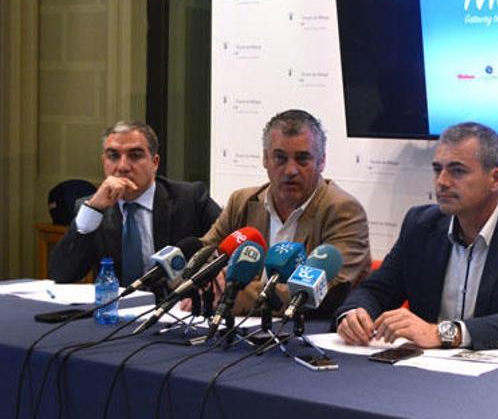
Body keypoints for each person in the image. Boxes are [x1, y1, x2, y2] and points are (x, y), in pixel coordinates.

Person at [336, 122, 498, 350]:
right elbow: (377, 291)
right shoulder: (420, 225)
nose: (442, 182)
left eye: (457, 171)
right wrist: (355, 315)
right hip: (426, 372)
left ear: (496, 179)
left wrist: (442, 333)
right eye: (438, 169)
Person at [201, 109, 371, 318]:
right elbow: (203, 257)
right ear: (265, 159)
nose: (291, 170)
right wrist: (205, 281)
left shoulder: (343, 210)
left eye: (302, 159)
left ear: (322, 161)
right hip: (239, 332)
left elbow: (322, 292)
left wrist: (232, 295)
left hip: (309, 335)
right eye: (280, 158)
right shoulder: (243, 201)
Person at [49, 121, 221, 285]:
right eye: (113, 156)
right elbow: (62, 274)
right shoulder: (91, 208)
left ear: (155, 163)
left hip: (178, 307)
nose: (123, 166)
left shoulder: (190, 199)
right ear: (104, 163)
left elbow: (230, 251)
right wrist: (93, 210)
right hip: (117, 309)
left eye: (135, 155)